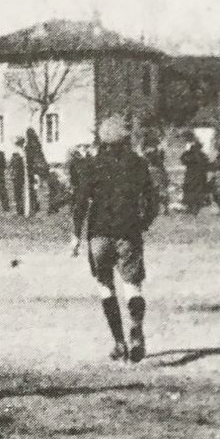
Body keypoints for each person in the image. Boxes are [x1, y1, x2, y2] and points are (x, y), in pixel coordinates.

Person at [74, 116, 161, 363]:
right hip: (128, 232)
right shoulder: (138, 163)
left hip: (99, 234)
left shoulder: (92, 165)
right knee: (133, 286)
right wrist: (144, 222)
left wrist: (75, 235)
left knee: (105, 286)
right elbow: (152, 200)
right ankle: (136, 329)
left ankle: (119, 342)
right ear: (125, 138)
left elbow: (80, 202)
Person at [180, 135, 210, 214]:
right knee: (197, 190)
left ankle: (191, 207)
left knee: (190, 190)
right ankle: (195, 207)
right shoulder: (202, 155)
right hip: (199, 176)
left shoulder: (190, 154)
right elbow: (207, 164)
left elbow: (183, 160)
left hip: (191, 175)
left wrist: (186, 152)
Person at [9, 141, 27, 216]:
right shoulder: (16, 155)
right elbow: (11, 165)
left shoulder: (21, 154)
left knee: (19, 193)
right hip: (17, 176)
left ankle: (21, 210)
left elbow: (12, 165)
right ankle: (20, 210)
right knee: (18, 194)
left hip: (20, 176)